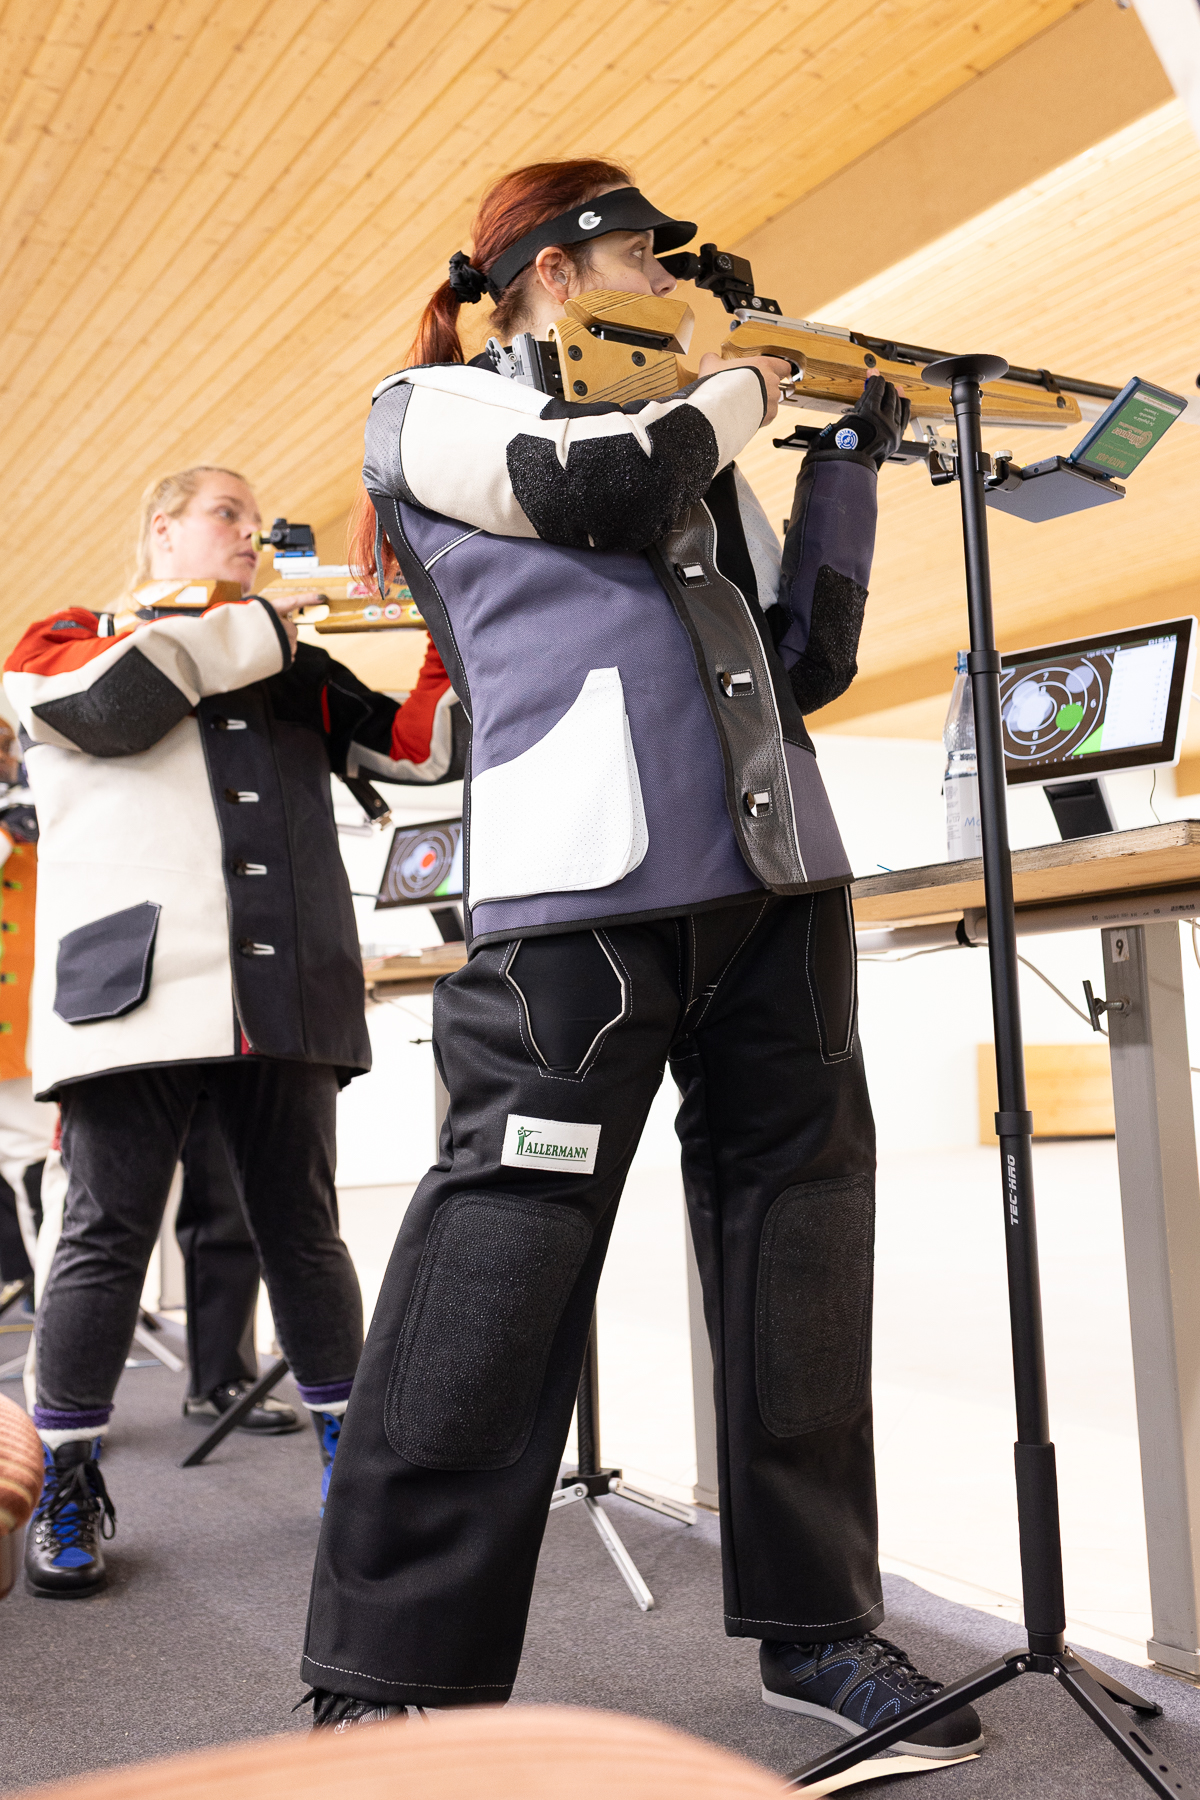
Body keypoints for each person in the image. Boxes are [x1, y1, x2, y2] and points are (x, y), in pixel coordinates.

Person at [300, 159, 983, 1759]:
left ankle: (821, 1634)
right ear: (552, 267)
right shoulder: (437, 409)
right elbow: (595, 488)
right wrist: (753, 375)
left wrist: (847, 469)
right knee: (496, 1272)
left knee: (802, 1256)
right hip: (577, 913)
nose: (670, 286)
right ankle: (391, 1676)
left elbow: (805, 657)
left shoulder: (694, 432)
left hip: (778, 890)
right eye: (643, 259)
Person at [4, 464, 456, 1596]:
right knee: (104, 1235)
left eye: (256, 524)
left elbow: (423, 749)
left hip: (284, 991)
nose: (251, 536)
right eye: (228, 516)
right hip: (131, 986)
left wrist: (454, 607)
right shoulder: (68, 637)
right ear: (161, 529)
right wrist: (263, 624)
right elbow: (106, 708)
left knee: (304, 1233)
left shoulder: (291, 663)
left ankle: (353, 1470)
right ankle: (65, 1480)